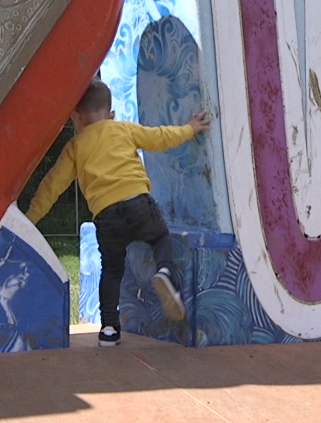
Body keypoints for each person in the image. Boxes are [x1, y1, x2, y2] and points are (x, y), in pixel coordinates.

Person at [25, 80, 211, 347]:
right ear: (110, 115)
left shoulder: (75, 147)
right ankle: (165, 272)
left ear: (76, 116)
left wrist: (30, 219)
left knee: (111, 270)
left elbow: (52, 185)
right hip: (139, 203)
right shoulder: (122, 129)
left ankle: (110, 329)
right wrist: (190, 129)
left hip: (107, 216)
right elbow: (160, 137)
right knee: (160, 238)